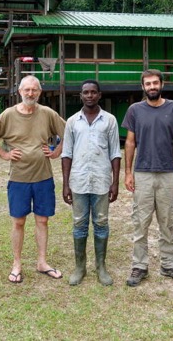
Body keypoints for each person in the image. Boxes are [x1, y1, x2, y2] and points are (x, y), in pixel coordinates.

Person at [0, 75, 66, 284]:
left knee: (42, 220)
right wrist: (4, 154)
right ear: (20, 91)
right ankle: (17, 264)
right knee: (18, 221)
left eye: (34, 90)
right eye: (27, 90)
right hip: (18, 179)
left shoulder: (47, 114)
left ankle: (42, 262)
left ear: (39, 92)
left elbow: (70, 132)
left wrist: (56, 152)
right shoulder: (8, 115)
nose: (30, 93)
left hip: (43, 176)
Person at [122, 69, 173, 286]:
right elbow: (130, 142)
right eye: (148, 84)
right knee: (140, 222)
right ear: (142, 87)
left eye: (155, 83)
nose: (152, 87)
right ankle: (139, 266)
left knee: (167, 221)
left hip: (167, 173)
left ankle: (169, 265)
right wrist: (128, 172)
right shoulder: (135, 110)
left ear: (162, 84)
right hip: (142, 173)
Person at [61, 80, 121, 286]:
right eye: (85, 92)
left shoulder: (109, 120)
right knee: (79, 224)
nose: (89, 96)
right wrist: (65, 184)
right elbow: (66, 153)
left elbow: (115, 153)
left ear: (99, 95)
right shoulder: (72, 122)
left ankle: (101, 267)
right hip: (78, 180)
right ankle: (80, 267)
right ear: (80, 95)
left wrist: (115, 182)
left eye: (93, 92)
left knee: (101, 223)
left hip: (102, 180)